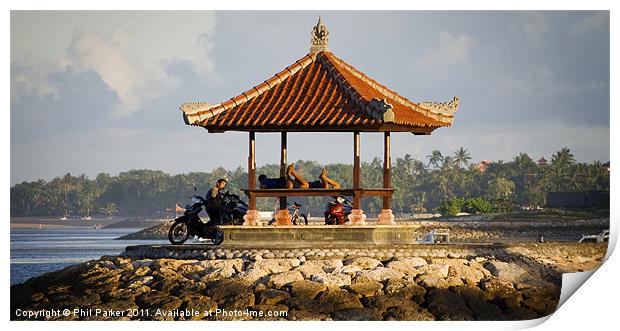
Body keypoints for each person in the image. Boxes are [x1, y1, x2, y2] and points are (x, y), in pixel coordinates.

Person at [258, 164, 341, 189]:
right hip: (289, 183)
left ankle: (291, 173)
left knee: (304, 185)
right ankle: (291, 173)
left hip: (290, 183)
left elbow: (262, 186)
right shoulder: (266, 180)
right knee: (304, 185)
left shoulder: (264, 181)